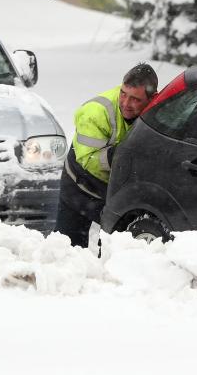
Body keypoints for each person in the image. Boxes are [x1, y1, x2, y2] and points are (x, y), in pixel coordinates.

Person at [54, 63, 158, 248]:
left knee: (114, 246)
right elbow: (89, 160)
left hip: (116, 189)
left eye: (135, 99)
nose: (126, 103)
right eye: (123, 94)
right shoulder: (95, 112)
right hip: (80, 183)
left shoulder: (159, 109)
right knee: (67, 250)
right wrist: (124, 155)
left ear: (152, 99)